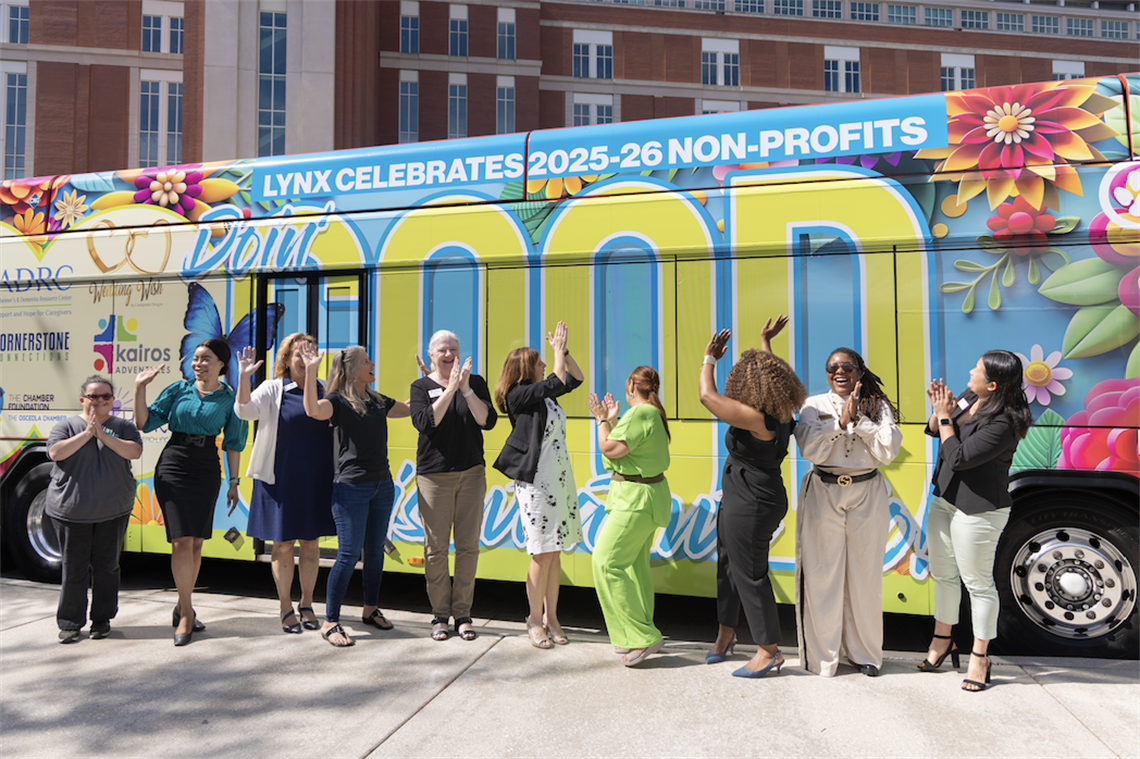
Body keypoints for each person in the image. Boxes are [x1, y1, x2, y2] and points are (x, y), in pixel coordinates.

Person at [699, 317, 807, 678]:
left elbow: (706, 396)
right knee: (728, 565)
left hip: (752, 499)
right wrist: (765, 342)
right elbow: (771, 379)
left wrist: (709, 359)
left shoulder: (756, 418)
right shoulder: (779, 411)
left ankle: (768, 651)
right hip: (744, 493)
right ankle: (725, 635)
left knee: (749, 574)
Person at [921, 350, 1031, 692]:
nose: (970, 372)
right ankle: (943, 640)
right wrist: (941, 411)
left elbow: (959, 457)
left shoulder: (1005, 423)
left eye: (978, 370)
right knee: (943, 575)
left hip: (979, 510)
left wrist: (944, 419)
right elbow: (934, 431)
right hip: (945, 500)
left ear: (993, 385)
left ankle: (980, 657)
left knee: (978, 583)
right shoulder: (971, 399)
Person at [794, 346, 902, 677]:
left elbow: (888, 451)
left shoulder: (878, 405)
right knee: (821, 574)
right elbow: (808, 447)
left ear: (859, 370)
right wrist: (839, 423)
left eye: (847, 366)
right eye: (832, 367)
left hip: (867, 489)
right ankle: (823, 658)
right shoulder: (813, 405)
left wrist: (860, 421)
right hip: (824, 489)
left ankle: (865, 654)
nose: (839, 371)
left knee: (865, 575)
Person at [135, 339, 247, 647]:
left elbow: (234, 443)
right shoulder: (178, 390)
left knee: (197, 543)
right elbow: (144, 423)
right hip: (173, 465)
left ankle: (183, 604)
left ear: (222, 365)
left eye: (206, 359)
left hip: (206, 469)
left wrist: (234, 482)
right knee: (181, 541)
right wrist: (139, 387)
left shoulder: (230, 399)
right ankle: (186, 613)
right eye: (196, 358)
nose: (198, 364)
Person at [301, 344, 410, 648]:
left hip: (382, 485)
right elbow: (312, 410)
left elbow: (411, 408)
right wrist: (311, 370)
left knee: (374, 552)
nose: (372, 363)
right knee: (349, 554)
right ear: (351, 369)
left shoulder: (376, 400)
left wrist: (435, 385)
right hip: (351, 487)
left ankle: (370, 609)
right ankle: (330, 621)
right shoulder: (337, 400)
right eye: (366, 361)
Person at [234, 336, 336, 635]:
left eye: (310, 353)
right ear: (286, 360)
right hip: (279, 479)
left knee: (311, 544)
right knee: (282, 545)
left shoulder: (326, 391)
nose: (304, 359)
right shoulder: (272, 388)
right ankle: (284, 607)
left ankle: (306, 603)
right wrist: (243, 379)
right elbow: (245, 412)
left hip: (316, 478)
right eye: (298, 354)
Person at [492, 321, 584, 649]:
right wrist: (557, 351)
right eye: (540, 361)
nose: (545, 363)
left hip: (558, 478)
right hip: (535, 483)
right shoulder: (519, 395)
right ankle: (533, 619)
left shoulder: (545, 397)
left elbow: (574, 378)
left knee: (555, 553)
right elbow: (558, 378)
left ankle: (552, 616)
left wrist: (565, 352)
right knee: (541, 553)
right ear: (526, 368)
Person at [410, 330, 498, 642]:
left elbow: (487, 421)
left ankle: (462, 613)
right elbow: (424, 422)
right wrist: (449, 390)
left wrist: (467, 390)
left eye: (454, 349)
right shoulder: (420, 386)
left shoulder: (475, 382)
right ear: (431, 354)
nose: (449, 355)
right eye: (443, 350)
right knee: (435, 549)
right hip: (434, 477)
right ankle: (439, 615)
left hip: (471, 473)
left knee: (467, 546)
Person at [46, 375, 143, 643]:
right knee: (73, 568)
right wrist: (88, 433)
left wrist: (102, 435)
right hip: (71, 512)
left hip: (113, 510)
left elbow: (134, 452)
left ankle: (102, 619)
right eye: (93, 396)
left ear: (112, 401)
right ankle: (70, 622)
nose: (99, 401)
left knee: (107, 567)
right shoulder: (65, 426)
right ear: (82, 400)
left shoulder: (123, 427)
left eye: (105, 397)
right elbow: (56, 453)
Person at [586, 366, 672, 667]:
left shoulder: (640, 414)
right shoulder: (652, 414)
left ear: (632, 386)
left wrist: (601, 420)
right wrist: (611, 420)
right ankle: (631, 635)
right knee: (634, 567)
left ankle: (641, 637)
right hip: (646, 498)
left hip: (635, 500)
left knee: (606, 563)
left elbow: (609, 448)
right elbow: (626, 448)